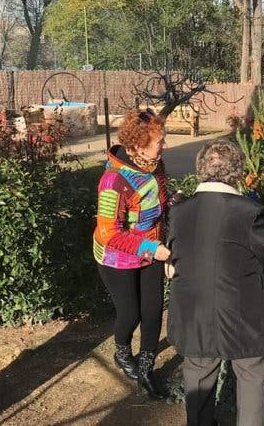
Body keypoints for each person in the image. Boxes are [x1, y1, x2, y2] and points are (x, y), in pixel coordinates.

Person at [167, 139, 264, 426]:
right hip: (245, 316)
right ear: (237, 171)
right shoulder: (249, 212)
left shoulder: (179, 211)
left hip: (194, 313)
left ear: (201, 169)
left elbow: (175, 253)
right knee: (252, 376)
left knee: (198, 379)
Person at [93, 109, 171, 400]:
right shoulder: (113, 181)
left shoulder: (155, 165)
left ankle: (147, 369)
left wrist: (173, 202)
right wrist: (152, 249)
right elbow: (109, 233)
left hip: (151, 250)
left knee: (153, 310)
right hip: (117, 257)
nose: (164, 146)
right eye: (159, 142)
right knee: (131, 313)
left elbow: (157, 201)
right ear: (138, 146)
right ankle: (122, 352)